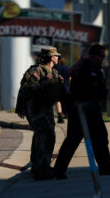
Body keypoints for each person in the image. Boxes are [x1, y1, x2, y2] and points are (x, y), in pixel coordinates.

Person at [54, 44, 110, 179]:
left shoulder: (97, 68)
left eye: (103, 56)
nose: (102, 58)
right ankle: (59, 170)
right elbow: (70, 73)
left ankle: (105, 167)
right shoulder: (82, 66)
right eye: (100, 56)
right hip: (80, 110)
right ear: (93, 56)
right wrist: (81, 59)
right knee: (72, 140)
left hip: (94, 109)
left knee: (101, 138)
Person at [16, 47, 64, 180]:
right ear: (51, 57)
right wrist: (44, 83)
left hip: (47, 109)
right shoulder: (36, 70)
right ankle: (41, 169)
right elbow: (26, 88)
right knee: (46, 135)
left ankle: (41, 165)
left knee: (45, 136)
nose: (58, 58)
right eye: (56, 55)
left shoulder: (53, 72)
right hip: (36, 109)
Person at [54, 57, 70, 123]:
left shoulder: (55, 68)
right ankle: (65, 114)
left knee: (58, 101)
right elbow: (70, 78)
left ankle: (60, 115)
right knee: (65, 101)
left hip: (57, 87)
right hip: (66, 87)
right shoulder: (67, 68)